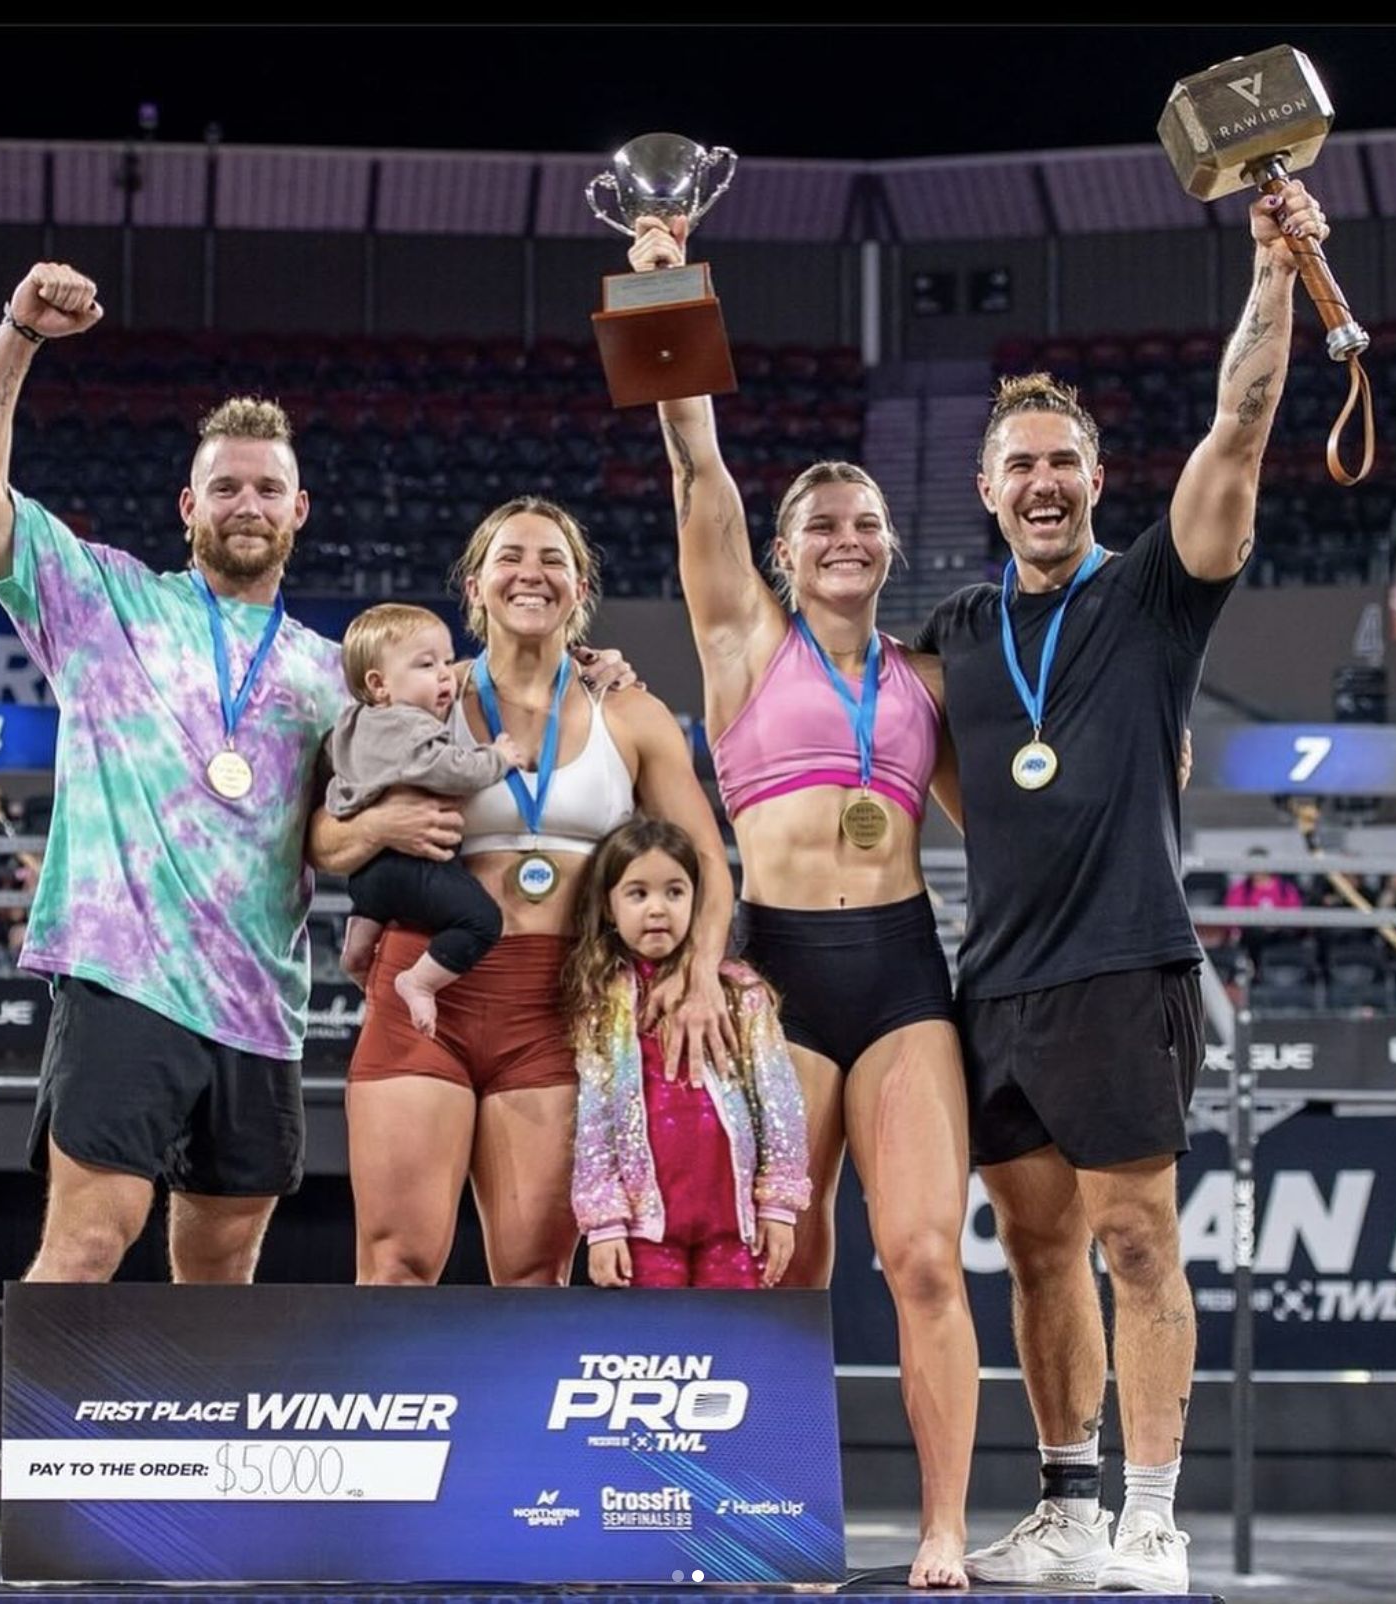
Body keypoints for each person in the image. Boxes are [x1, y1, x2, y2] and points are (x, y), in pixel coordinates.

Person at [0, 262, 622, 1286]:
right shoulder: (103, 602)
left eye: (268, 488)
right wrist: (19, 334)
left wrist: (594, 670)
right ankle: (40, 1409)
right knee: (87, 1241)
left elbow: (369, 805)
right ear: (189, 503)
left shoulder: (333, 673)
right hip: (122, 977)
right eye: (225, 486)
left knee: (224, 1277)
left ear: (300, 509)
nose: (247, 503)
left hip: (260, 1004)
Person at [914, 181, 1332, 1592]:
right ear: (986, 489)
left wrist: (1271, 273)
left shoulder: (1157, 590)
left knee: (1137, 1241)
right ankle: (1068, 1508)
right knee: (1036, 1252)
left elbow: (1240, 428)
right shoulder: (959, 627)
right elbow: (918, 756)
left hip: (1124, 962)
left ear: (1094, 479)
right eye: (1017, 465)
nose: (1040, 483)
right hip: (999, 982)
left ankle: (1152, 1517)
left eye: (1062, 463)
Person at [631, 217, 975, 1587]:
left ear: (892, 547)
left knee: (925, 1258)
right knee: (779, 1260)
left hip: (901, 972)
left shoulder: (927, 682)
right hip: (773, 970)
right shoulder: (741, 642)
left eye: (865, 522)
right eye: (820, 524)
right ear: (780, 553)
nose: (845, 537)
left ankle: (943, 1528)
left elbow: (1025, 814)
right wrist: (664, 277)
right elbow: (693, 459)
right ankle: (768, 1519)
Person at [309, 496, 737, 1290]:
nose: (530, 574)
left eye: (553, 561)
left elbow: (708, 862)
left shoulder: (631, 712)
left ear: (581, 589)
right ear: (474, 586)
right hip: (426, 990)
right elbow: (322, 843)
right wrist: (377, 826)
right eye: (509, 557)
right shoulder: (417, 701)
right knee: (396, 1265)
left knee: (536, 1274)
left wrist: (701, 973)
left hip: (560, 1006)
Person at [568, 815, 810, 1290]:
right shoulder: (604, 1003)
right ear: (609, 907)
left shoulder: (739, 992)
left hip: (736, 1230)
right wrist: (605, 1225)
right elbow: (594, 1122)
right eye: (638, 894)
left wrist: (778, 1205)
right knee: (655, 1337)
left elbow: (780, 1104)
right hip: (645, 1231)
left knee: (732, 1335)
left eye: (674, 892)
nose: (657, 909)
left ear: (697, 903)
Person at [326, 602, 527, 1036]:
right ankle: (419, 982)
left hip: (367, 878)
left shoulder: (353, 722)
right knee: (482, 922)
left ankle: (356, 952)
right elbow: (454, 770)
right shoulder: (407, 727)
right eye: (426, 665)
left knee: (372, 919)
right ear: (378, 685)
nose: (444, 675)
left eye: (447, 661)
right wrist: (498, 757)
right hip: (413, 868)